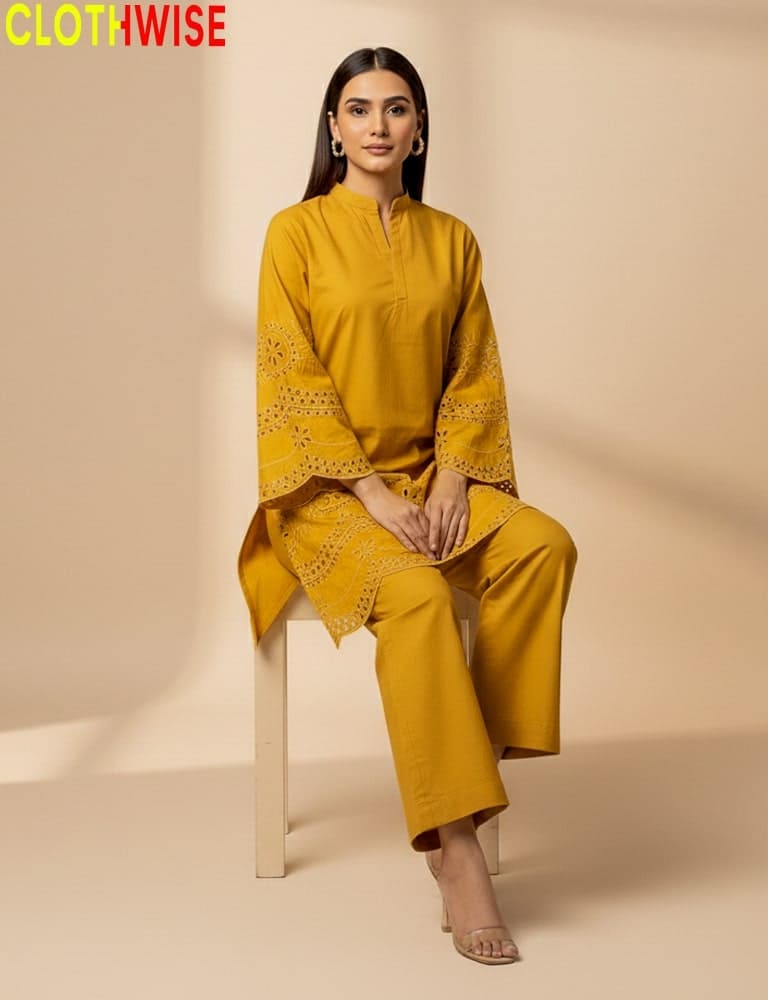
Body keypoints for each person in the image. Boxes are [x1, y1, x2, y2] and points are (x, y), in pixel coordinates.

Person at [238, 46, 577, 966]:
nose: (379, 125)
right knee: (420, 600)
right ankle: (456, 849)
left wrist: (458, 479)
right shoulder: (295, 233)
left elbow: (475, 371)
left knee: (543, 546)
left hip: (437, 478)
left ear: (420, 126)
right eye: (359, 109)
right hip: (326, 494)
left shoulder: (454, 238)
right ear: (334, 127)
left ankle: (464, 759)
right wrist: (371, 492)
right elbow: (288, 376)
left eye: (397, 108)